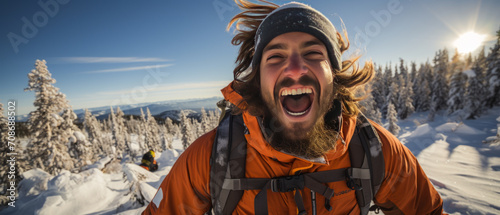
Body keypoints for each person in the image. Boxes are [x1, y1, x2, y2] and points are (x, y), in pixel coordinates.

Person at [143, 1, 444, 214]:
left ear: (334, 76)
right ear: (257, 80)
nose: (296, 68)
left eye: (313, 53)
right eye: (275, 57)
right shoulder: (210, 158)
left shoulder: (375, 151)